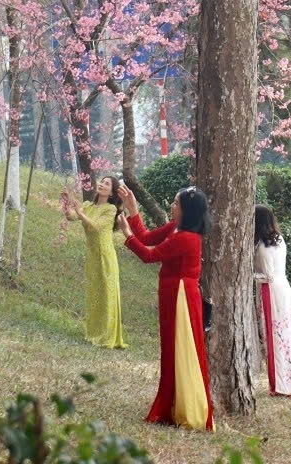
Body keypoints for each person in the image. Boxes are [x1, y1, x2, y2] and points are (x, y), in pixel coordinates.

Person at [115, 183, 214, 431]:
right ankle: (171, 403)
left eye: (176, 203)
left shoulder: (187, 238)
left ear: (187, 210)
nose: (172, 206)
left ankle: (185, 407)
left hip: (181, 296)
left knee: (180, 348)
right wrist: (133, 209)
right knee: (170, 349)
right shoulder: (176, 228)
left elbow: (149, 255)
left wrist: (127, 236)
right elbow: (147, 238)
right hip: (172, 293)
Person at [64, 176, 126, 349]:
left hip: (105, 256)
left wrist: (80, 212)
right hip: (92, 255)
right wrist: (68, 207)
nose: (102, 184)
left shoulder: (110, 209)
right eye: (102, 181)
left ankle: (107, 336)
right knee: (95, 294)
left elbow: (96, 227)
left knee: (107, 294)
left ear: (112, 192)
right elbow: (71, 217)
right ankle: (94, 332)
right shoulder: (88, 206)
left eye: (107, 184)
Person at [253, 205, 291, 397]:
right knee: (286, 336)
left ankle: (281, 385)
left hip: (270, 292)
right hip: (283, 289)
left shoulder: (263, 246)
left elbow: (267, 276)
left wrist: (247, 276)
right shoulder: (278, 240)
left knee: (274, 337)